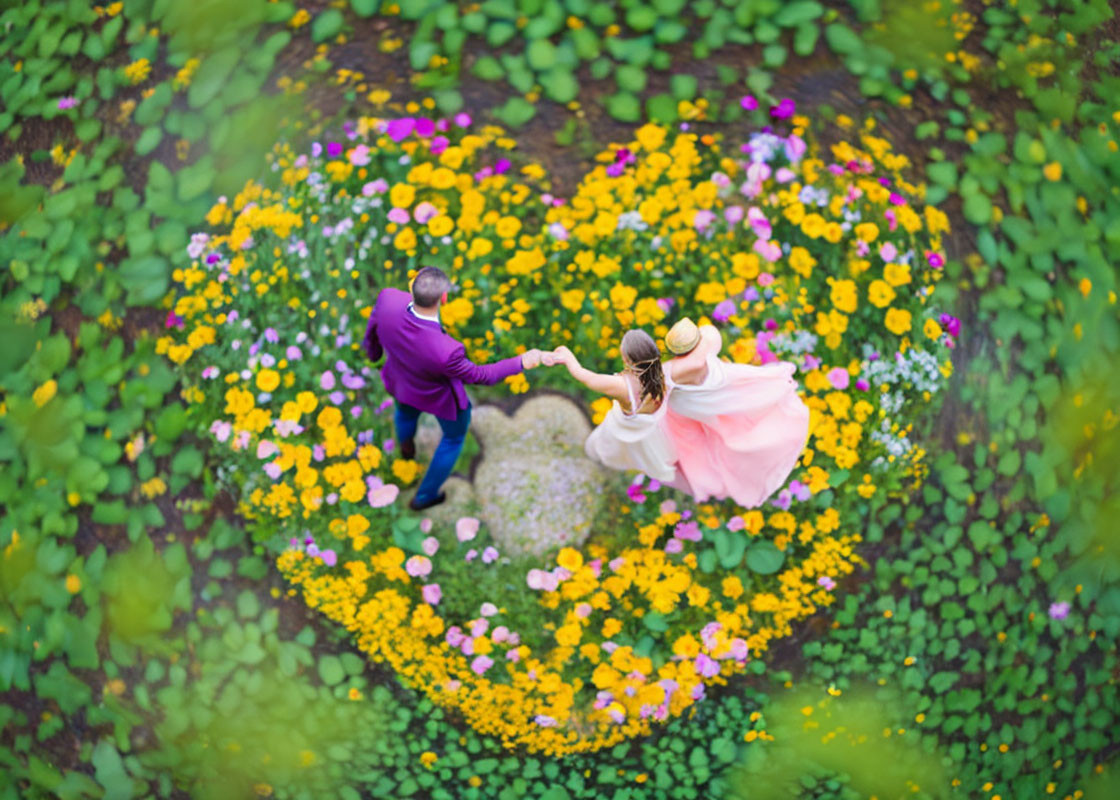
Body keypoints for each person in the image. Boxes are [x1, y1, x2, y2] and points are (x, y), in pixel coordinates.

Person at [362, 266, 545, 511]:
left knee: (404, 413)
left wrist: (375, 355)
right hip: (440, 400)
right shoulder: (447, 351)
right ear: (444, 297)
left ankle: (406, 449)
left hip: (400, 382)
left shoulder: (388, 299)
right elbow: (482, 375)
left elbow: (371, 334)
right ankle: (424, 496)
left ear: (412, 286)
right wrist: (521, 361)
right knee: (453, 438)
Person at [661, 317, 810, 508]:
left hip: (718, 403)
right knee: (726, 438)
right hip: (716, 404)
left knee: (723, 439)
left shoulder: (675, 375)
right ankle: (731, 474)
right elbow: (706, 341)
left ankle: (727, 474)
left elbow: (697, 358)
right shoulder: (703, 352)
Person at [548, 330, 679, 485]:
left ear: (627, 358)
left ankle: (599, 464)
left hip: (625, 433)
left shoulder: (622, 386)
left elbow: (587, 377)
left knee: (600, 449)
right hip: (652, 432)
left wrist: (568, 357)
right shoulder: (664, 376)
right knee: (643, 458)